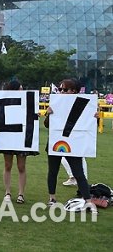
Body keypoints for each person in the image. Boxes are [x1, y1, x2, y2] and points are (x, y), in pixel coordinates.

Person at [44, 78, 98, 213]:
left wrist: (95, 118)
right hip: (56, 143)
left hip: (74, 144)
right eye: (60, 89)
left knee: (78, 173)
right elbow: (47, 125)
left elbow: (89, 127)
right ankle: (52, 198)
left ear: (73, 91)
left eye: (65, 89)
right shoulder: (56, 103)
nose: (61, 92)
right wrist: (48, 114)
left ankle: (88, 201)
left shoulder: (84, 104)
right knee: (53, 171)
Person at [0, 80, 39, 204]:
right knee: (8, 165)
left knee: (21, 166)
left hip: (21, 137)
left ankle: (21, 193)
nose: (22, 90)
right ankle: (7, 192)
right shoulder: (5, 100)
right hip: (8, 136)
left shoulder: (25, 101)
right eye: (20, 88)